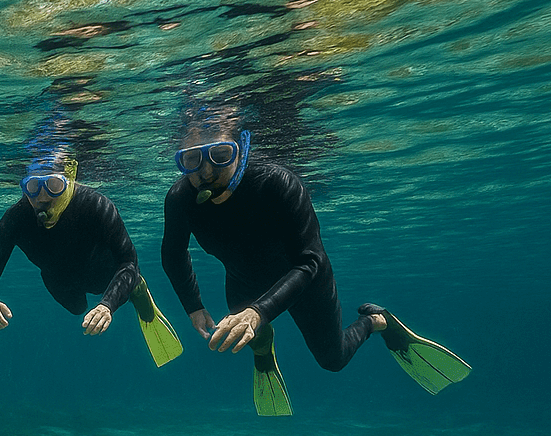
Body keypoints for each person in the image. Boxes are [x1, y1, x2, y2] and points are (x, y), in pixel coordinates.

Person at [160, 111, 469, 415]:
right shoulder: (179, 199)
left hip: (306, 281)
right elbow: (173, 253)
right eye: (191, 159)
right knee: (241, 333)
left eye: (220, 154)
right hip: (244, 279)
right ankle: (263, 347)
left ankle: (378, 322)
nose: (206, 170)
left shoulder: (278, 184)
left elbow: (310, 262)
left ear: (242, 148)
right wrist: (193, 306)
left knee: (333, 360)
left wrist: (258, 312)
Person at [0, 151, 183, 368]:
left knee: (130, 277)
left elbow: (129, 262)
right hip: (59, 281)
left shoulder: (97, 205)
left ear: (70, 182)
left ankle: (137, 289)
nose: (42, 197)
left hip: (106, 277)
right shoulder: (15, 218)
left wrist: (107, 305)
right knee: (76, 308)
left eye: (54, 185)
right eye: (33, 187)